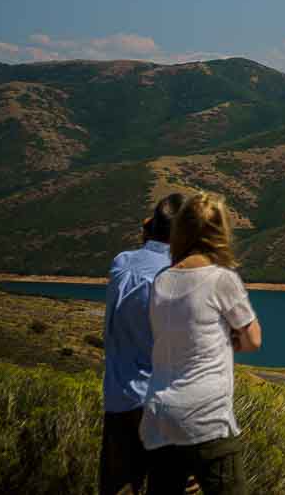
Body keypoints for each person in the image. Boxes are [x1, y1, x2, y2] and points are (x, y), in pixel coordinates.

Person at [140, 191, 263, 495]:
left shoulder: (161, 280)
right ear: (220, 232)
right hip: (205, 416)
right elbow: (252, 340)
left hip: (160, 417)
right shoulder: (222, 279)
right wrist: (226, 339)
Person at [100, 192, 188, 495]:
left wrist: (150, 230)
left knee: (121, 487)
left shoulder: (122, 264)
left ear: (150, 227)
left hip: (119, 400)